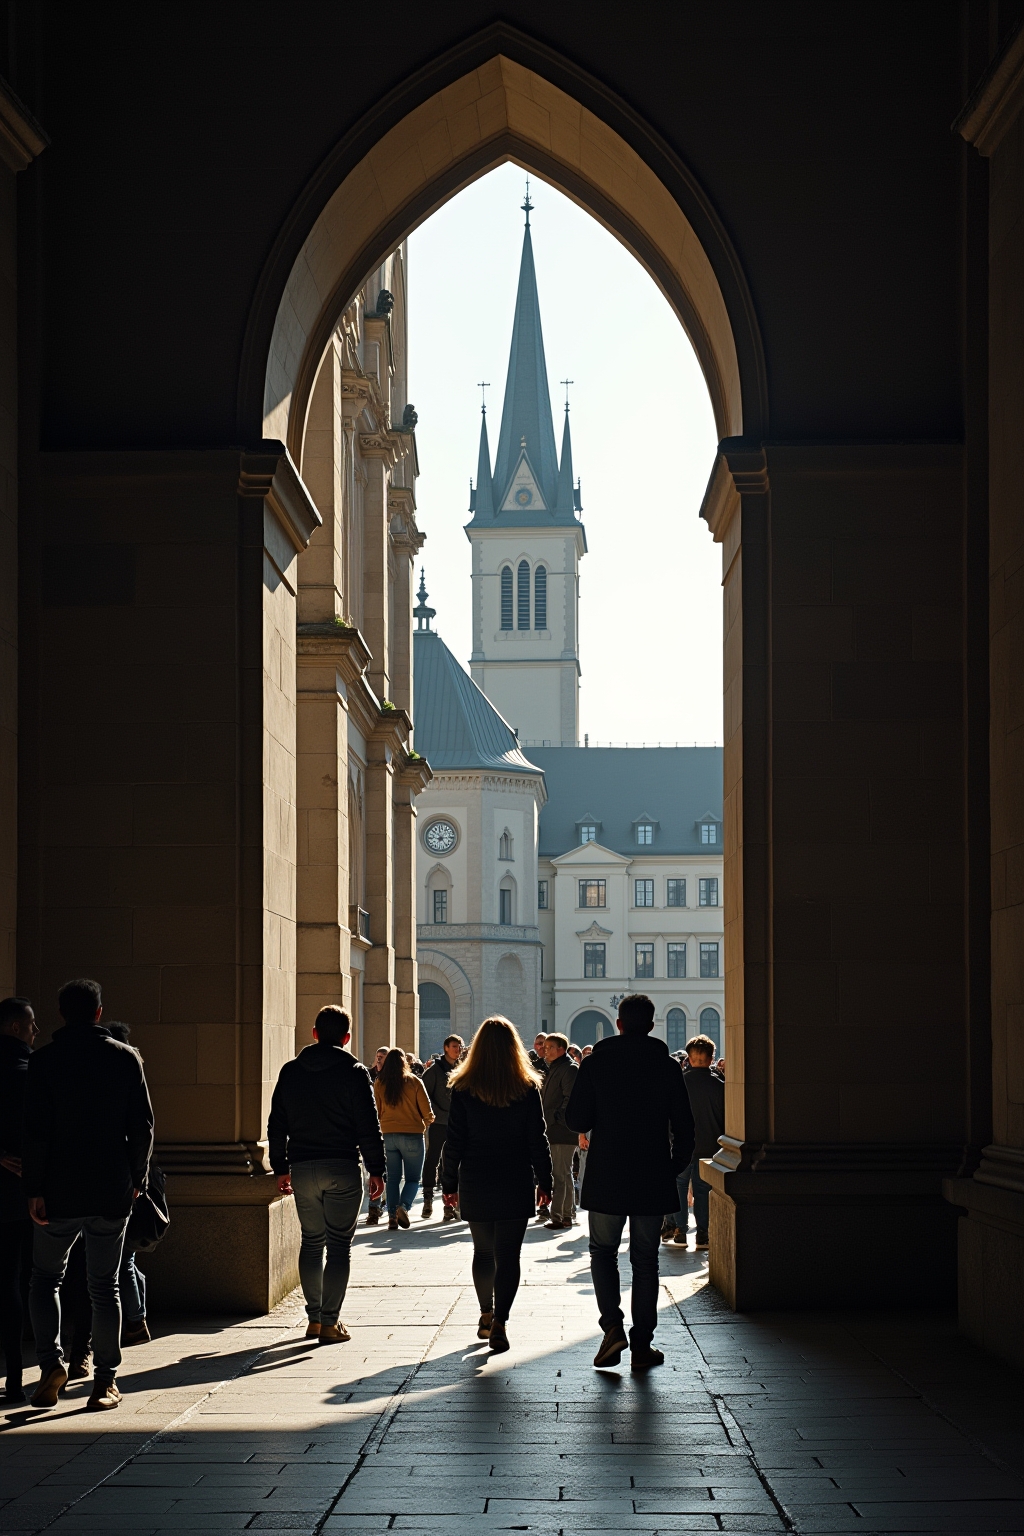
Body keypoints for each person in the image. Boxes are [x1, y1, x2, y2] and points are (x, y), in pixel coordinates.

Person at [23, 978, 154, 1412]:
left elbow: (36, 1131)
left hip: (58, 1187)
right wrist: (138, 1178)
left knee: (45, 1279)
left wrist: (34, 1188)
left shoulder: (43, 1062)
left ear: (61, 1014)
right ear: (99, 1013)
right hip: (109, 1184)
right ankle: (104, 1382)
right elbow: (142, 1127)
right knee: (104, 1286)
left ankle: (50, 1364)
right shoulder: (126, 1059)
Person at [566, 993, 694, 1372]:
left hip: (607, 1172)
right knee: (646, 1261)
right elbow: (685, 1127)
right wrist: (672, 1166)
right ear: (652, 1026)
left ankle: (612, 1328)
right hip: (651, 1173)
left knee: (602, 1253)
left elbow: (576, 1119)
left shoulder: (596, 1061)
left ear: (618, 1024)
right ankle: (642, 1344)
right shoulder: (667, 1066)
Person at [268, 1005, 385, 1343]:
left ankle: (315, 1318)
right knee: (338, 1247)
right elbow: (368, 1125)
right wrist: (377, 1169)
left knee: (310, 1241)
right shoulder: (354, 1071)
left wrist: (280, 1167)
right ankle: (331, 1322)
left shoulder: (291, 1071)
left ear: (314, 1033)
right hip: (342, 1166)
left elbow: (277, 1124)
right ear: (346, 1038)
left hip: (303, 1168)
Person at [440, 1016, 552, 1353]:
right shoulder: (526, 1088)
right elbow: (538, 1139)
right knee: (509, 1255)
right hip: (515, 1177)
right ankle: (501, 1320)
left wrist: (448, 1182)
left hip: (476, 1176)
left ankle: (485, 1314)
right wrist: (545, 1180)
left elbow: (453, 1141)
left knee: (483, 1251)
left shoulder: (463, 1089)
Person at [104, 1023, 169, 1344]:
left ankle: (135, 1320)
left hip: (124, 1177)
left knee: (122, 1260)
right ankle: (137, 1316)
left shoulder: (116, 1078)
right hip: (135, 1175)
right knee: (126, 1258)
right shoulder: (134, 1074)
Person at [0, 997, 37, 1403]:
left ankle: (11, 1373)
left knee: (6, 1280)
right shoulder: (33, 1073)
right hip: (34, 1191)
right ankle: (36, 1367)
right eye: (30, 1024)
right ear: (14, 1027)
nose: (34, 1031)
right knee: (38, 1279)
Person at [666, 1035, 725, 1251]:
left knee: (679, 1187)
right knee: (702, 1190)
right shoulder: (720, 1086)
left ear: (688, 1059)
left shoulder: (677, 1083)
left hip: (680, 1146)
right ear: (711, 1059)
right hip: (709, 1145)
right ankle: (703, 1235)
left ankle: (680, 1231)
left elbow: (668, 1117)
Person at [373, 1049, 433, 1230]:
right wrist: (427, 1121)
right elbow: (426, 1110)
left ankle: (391, 1215)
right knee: (413, 1178)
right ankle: (403, 1206)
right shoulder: (414, 1081)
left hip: (389, 1134)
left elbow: (378, 1109)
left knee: (392, 1178)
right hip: (412, 1134)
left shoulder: (380, 1083)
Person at [420, 1035, 464, 1220]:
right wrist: (435, 1113)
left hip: (457, 1124)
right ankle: (428, 1199)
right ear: (446, 1048)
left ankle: (449, 1205)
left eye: (460, 1046)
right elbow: (424, 1096)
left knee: (452, 1164)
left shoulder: (462, 1069)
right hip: (438, 1123)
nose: (458, 1049)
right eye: (454, 1046)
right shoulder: (434, 1071)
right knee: (433, 1159)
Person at [540, 1033, 578, 1231]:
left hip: (562, 1130)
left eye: (549, 1047)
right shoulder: (555, 1068)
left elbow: (569, 1099)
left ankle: (558, 1216)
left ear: (561, 1049)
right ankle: (566, 1214)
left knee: (560, 1174)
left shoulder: (569, 1069)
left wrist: (555, 1118)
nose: (545, 1050)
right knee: (564, 1173)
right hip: (554, 1129)